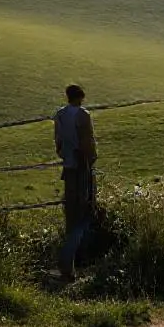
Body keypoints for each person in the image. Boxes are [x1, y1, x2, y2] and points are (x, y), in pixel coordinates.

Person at [54, 84, 96, 281]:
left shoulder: (59, 115)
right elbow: (88, 141)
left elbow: (58, 143)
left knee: (70, 212)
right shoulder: (83, 115)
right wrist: (91, 160)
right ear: (80, 97)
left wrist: (65, 155)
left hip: (68, 166)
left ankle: (68, 263)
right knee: (83, 212)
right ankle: (75, 261)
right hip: (81, 167)